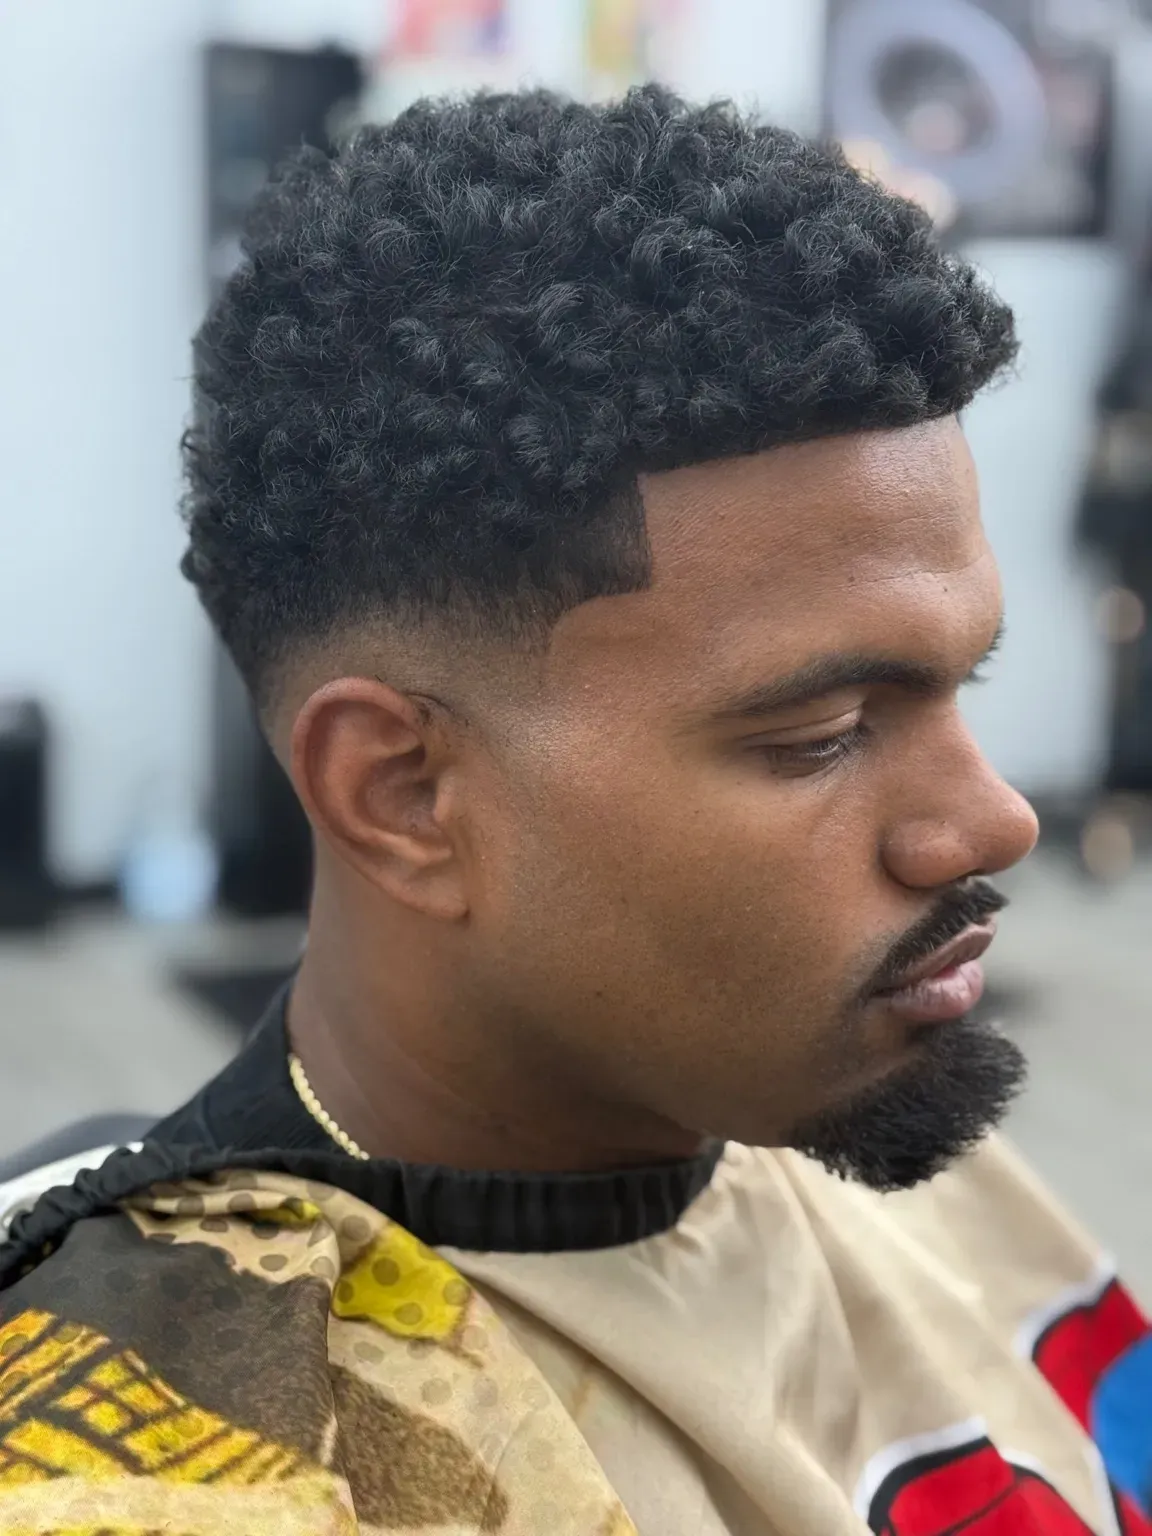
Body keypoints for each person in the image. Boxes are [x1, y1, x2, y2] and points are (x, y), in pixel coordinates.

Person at [1, 86, 1150, 1536]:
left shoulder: (814, 1080)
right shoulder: (189, 1471)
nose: (991, 824)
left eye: (961, 682)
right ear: (405, 794)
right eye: (822, 734)